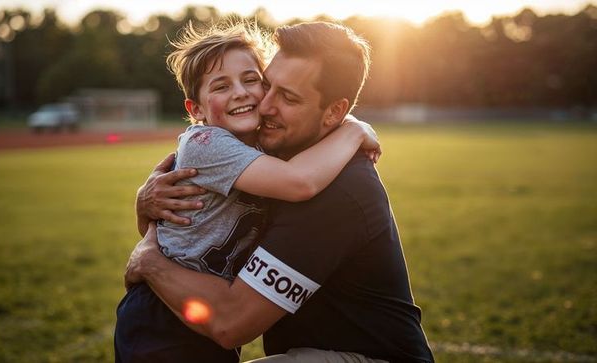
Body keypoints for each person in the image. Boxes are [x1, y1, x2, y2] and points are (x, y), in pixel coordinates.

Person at [126, 22, 434, 362]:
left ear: (334, 112)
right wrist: (146, 200)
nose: (265, 106)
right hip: (168, 322)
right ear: (194, 107)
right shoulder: (264, 154)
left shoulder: (337, 190)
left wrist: (149, 261)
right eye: (268, 85)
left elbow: (230, 323)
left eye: (287, 96)